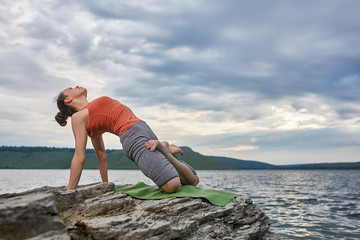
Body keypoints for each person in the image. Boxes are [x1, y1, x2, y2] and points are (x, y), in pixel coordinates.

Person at [55, 86, 199, 193]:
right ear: (68, 99)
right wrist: (70, 192)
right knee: (175, 184)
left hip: (144, 129)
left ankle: (165, 150)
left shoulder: (91, 110)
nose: (76, 86)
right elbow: (91, 155)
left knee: (192, 181)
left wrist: (105, 185)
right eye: (71, 88)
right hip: (132, 137)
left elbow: (101, 156)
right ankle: (165, 150)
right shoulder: (78, 117)